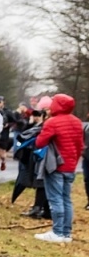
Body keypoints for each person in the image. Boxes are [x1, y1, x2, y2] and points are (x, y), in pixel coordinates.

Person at [35, 93, 82, 243]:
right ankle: (67, 234)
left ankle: (57, 232)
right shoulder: (77, 122)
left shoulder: (52, 122)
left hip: (55, 166)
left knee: (55, 199)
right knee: (66, 199)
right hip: (70, 166)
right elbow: (80, 145)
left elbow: (40, 142)